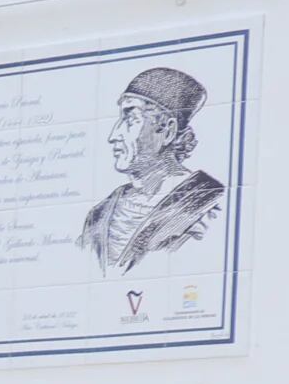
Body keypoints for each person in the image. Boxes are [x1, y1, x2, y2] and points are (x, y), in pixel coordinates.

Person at [79, 65, 228, 273]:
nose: (114, 135)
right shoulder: (100, 214)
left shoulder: (208, 209)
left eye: (130, 119)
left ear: (167, 130)